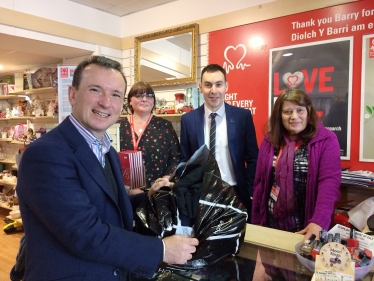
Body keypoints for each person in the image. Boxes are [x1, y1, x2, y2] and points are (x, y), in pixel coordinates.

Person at [16, 56, 198, 281]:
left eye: (115, 94)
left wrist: (147, 196)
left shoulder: (106, 150)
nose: (106, 102)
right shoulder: (45, 154)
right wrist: (161, 250)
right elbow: (84, 233)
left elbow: (107, 206)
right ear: (72, 94)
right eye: (95, 90)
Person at [251, 89, 341, 240]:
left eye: (300, 110)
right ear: (280, 115)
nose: (294, 117)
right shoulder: (269, 141)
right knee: (272, 263)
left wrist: (319, 221)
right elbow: (260, 184)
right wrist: (256, 224)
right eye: (287, 111)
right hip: (272, 225)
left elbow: (329, 183)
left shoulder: (326, 140)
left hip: (309, 226)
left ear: (308, 112)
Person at [178, 64, 259, 219]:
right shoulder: (188, 120)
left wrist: (249, 192)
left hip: (235, 193)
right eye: (208, 85)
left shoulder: (243, 117)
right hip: (200, 194)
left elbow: (253, 159)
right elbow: (185, 159)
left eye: (218, 84)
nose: (213, 90)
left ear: (226, 87)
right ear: (200, 87)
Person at [119, 81, 179, 192]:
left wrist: (163, 181)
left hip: (158, 192)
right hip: (124, 192)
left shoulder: (165, 126)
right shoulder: (119, 126)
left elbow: (175, 158)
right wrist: (127, 190)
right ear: (130, 101)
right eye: (139, 95)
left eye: (149, 96)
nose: (145, 99)